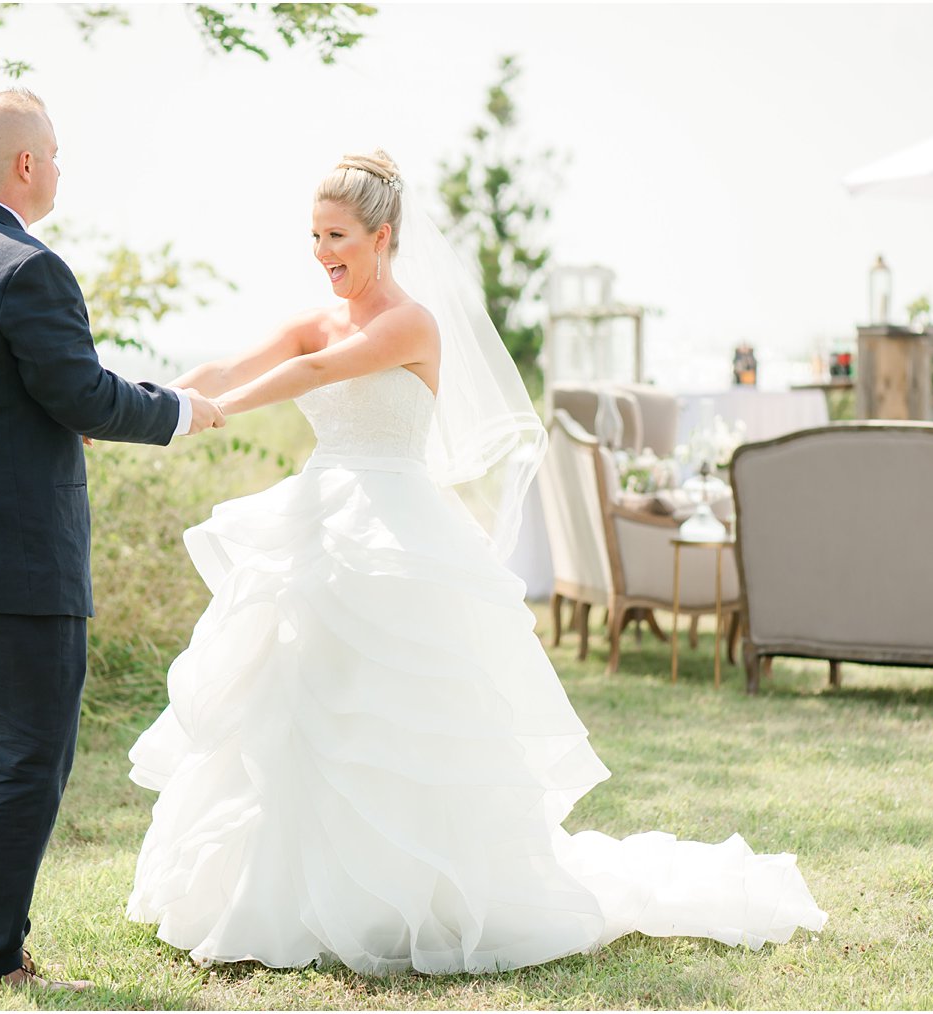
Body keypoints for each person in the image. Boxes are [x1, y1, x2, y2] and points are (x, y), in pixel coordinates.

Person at [124, 150, 827, 975]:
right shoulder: (315, 314)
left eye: (338, 236)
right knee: (294, 702)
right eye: (314, 236)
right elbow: (228, 366)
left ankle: (407, 893)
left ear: (382, 236)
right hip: (318, 518)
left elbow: (312, 374)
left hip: (395, 526)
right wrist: (145, 403)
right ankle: (280, 892)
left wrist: (209, 414)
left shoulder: (412, 323)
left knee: (393, 712)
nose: (323, 252)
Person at [0, 88, 225, 991]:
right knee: (28, 755)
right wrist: (183, 410)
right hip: (19, 556)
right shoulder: (27, 269)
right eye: (56, 153)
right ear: (25, 164)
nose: (61, 168)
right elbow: (85, 396)